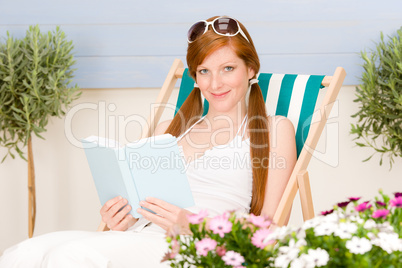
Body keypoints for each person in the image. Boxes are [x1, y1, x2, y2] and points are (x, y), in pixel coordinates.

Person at [0, 16, 296, 267]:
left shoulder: (274, 129)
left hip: (195, 249)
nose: (215, 84)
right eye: (204, 71)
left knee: (72, 256)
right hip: (140, 235)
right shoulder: (174, 129)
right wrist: (123, 218)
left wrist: (190, 223)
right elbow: (144, 202)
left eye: (227, 69)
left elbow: (270, 230)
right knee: (21, 254)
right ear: (195, 76)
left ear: (251, 69)